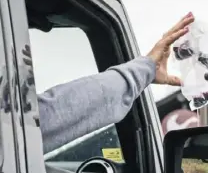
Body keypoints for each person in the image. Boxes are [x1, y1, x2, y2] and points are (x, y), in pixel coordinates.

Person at [36, 12, 195, 152]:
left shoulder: (16, 132)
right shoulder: (20, 129)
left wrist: (145, 70)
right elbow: (42, 119)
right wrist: (144, 70)